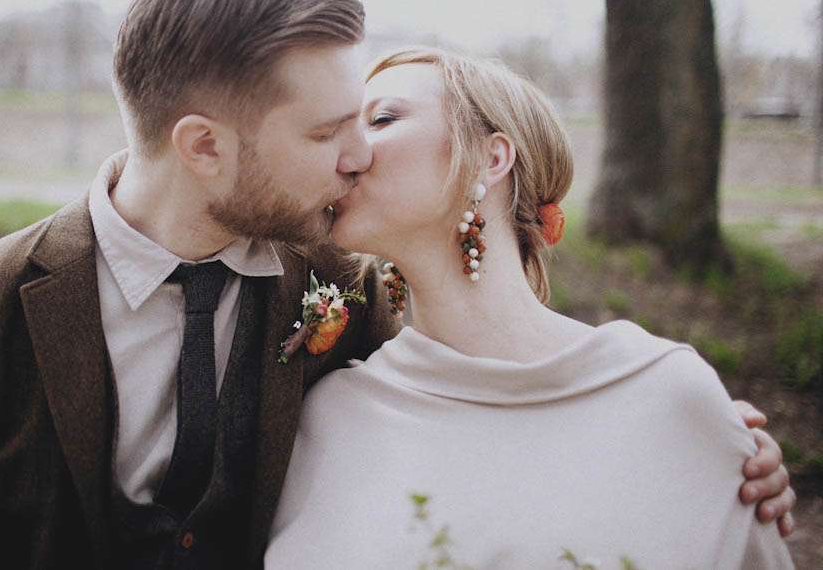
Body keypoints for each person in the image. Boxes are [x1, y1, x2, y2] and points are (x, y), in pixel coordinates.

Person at [0, 0, 792, 569]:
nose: (355, 156)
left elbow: (498, 379)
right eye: (327, 131)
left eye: (373, 119)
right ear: (204, 147)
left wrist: (700, 443)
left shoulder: (343, 290)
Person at [267, 48, 796, 569]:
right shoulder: (331, 416)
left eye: (382, 119)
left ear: (491, 158)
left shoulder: (665, 394)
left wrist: (722, 447)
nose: (348, 151)